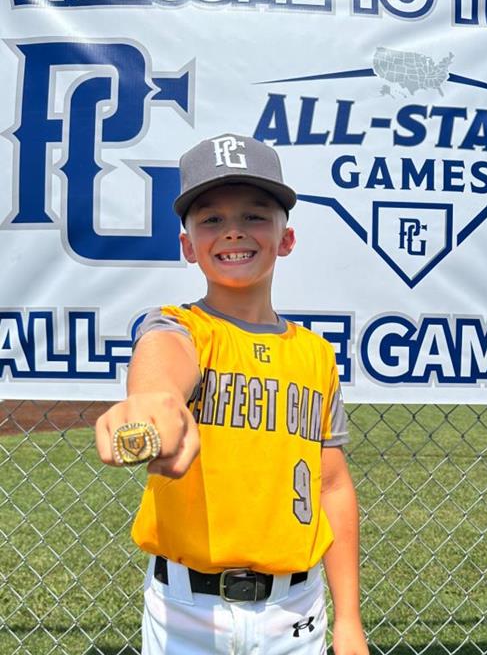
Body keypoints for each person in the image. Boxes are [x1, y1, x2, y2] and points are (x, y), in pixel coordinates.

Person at [95, 133, 368, 655]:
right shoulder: (181, 327)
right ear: (187, 246)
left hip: (296, 608)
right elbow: (161, 360)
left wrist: (349, 620)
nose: (233, 231)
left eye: (255, 215)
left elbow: (332, 486)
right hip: (185, 610)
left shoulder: (314, 354)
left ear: (286, 239)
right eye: (212, 219)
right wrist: (154, 400)